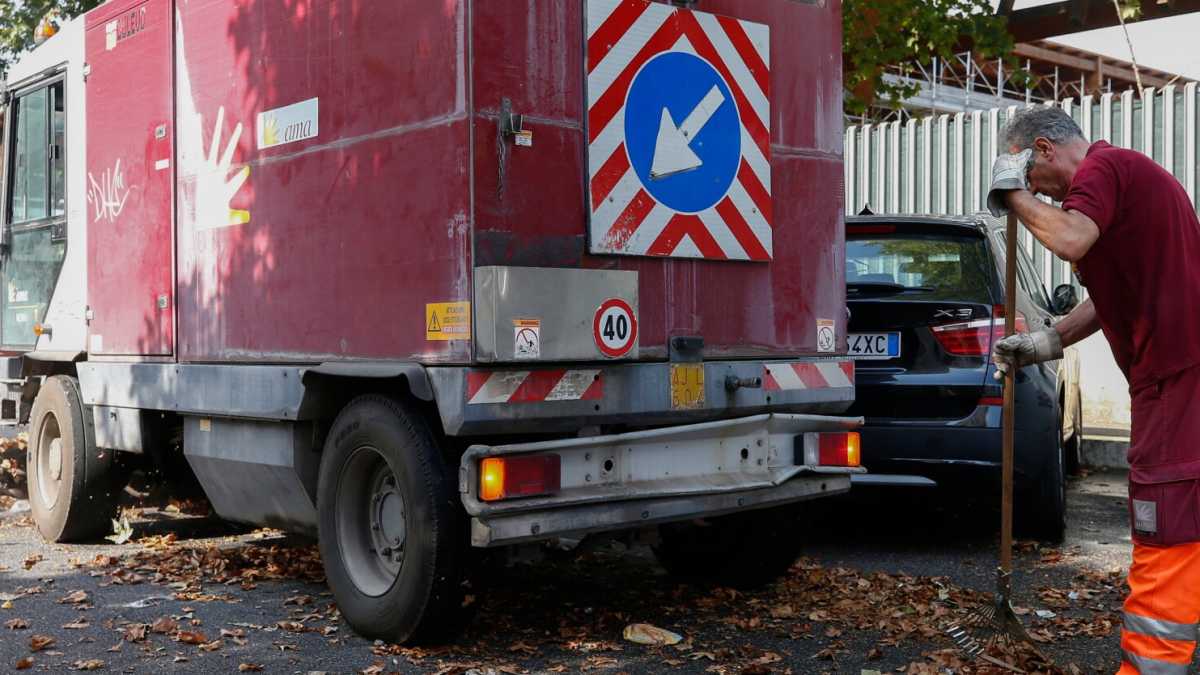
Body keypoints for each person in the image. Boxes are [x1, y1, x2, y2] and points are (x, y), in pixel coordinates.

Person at [987, 106, 1200, 675]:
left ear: (1043, 149)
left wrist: (1010, 194)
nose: (1041, 196)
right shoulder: (1125, 181)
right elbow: (1112, 299)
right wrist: (1046, 342)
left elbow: (1072, 239)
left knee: (1167, 531)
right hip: (1177, 376)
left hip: (1178, 381)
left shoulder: (1101, 171)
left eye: (1034, 179)